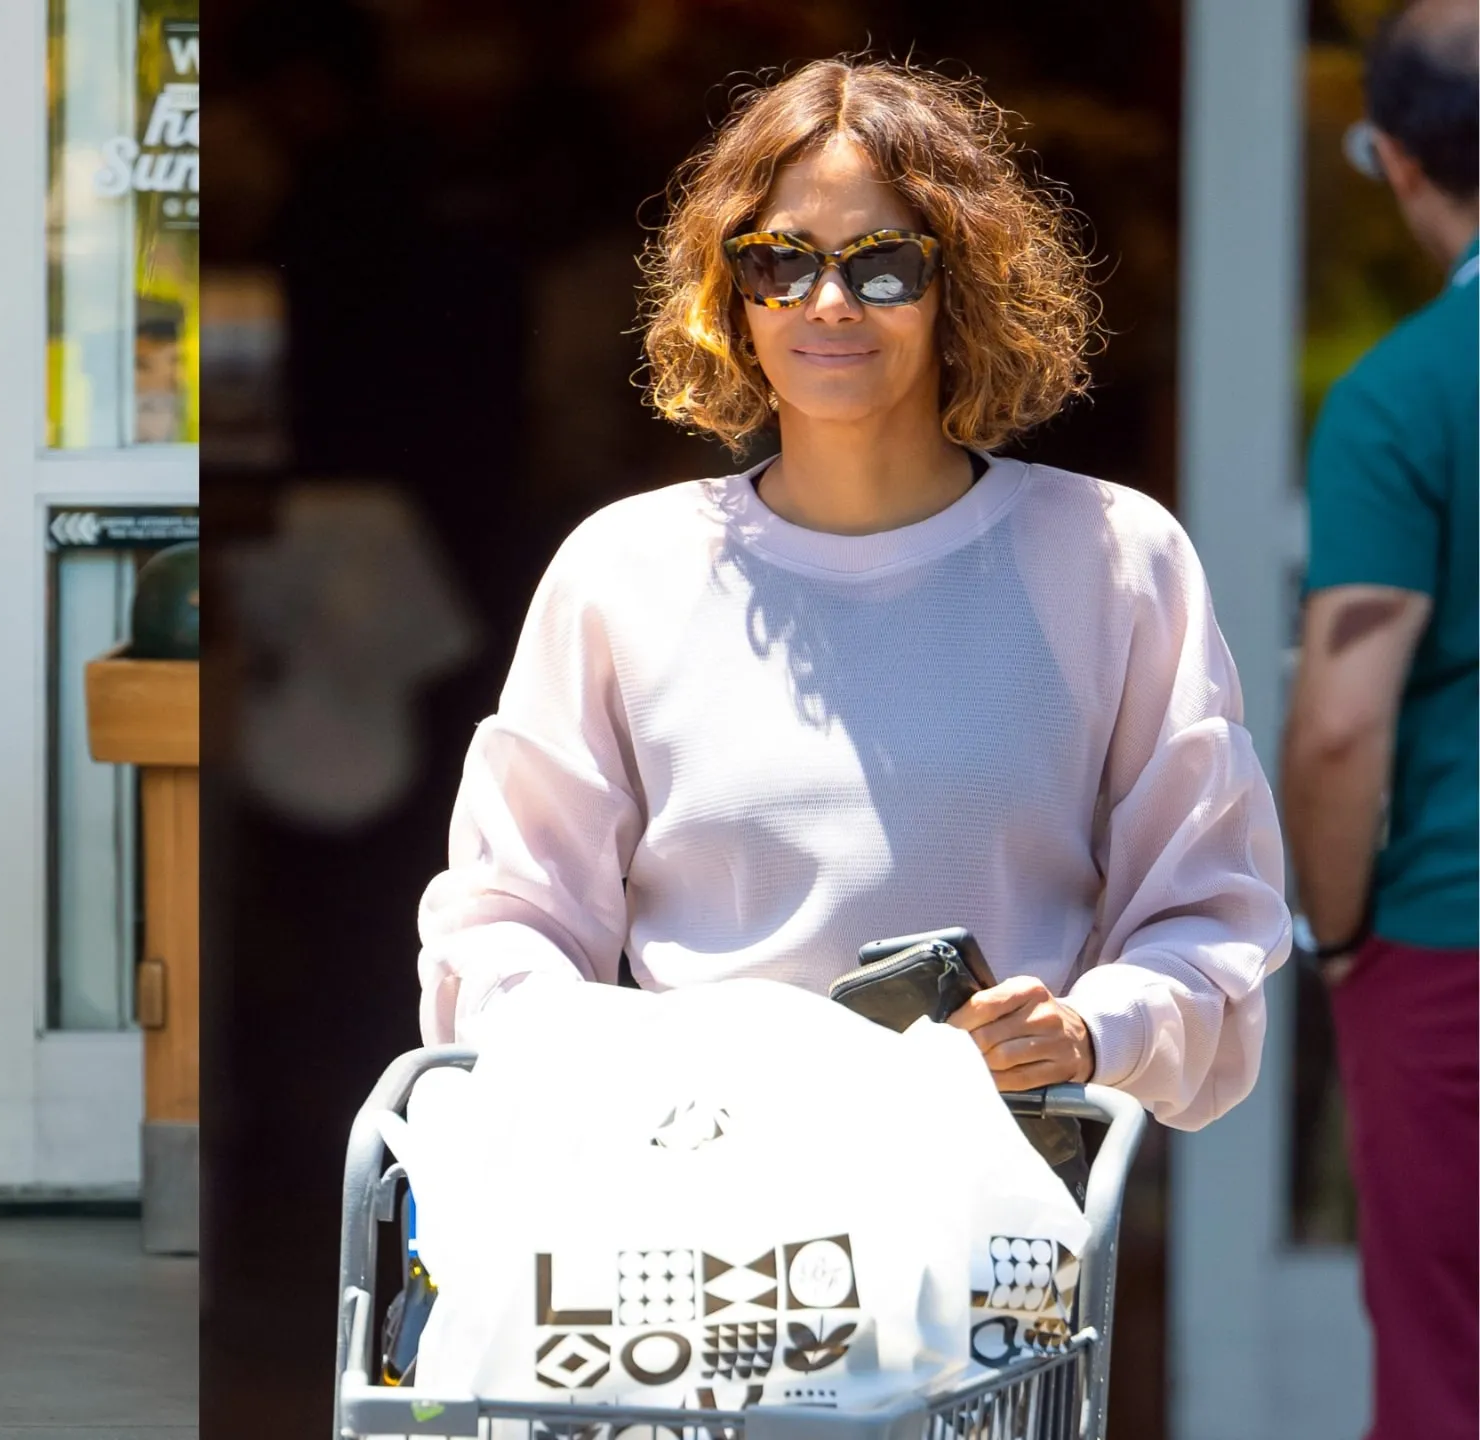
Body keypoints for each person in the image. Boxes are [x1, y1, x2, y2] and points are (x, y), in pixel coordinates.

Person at [417, 60, 1289, 1141]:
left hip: (992, 1208)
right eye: (778, 261)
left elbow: (1209, 917)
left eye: (882, 264)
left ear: (956, 282)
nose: (826, 302)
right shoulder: (620, 570)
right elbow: (506, 920)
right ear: (727, 288)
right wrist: (592, 1061)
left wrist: (1084, 1031)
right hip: (676, 1205)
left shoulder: (1112, 557)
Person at [1282, 4, 1477, 1437]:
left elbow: (1345, 720)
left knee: (1450, 1372)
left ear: (1399, 163)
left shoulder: (1405, 394)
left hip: (1457, 944)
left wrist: (1336, 933)